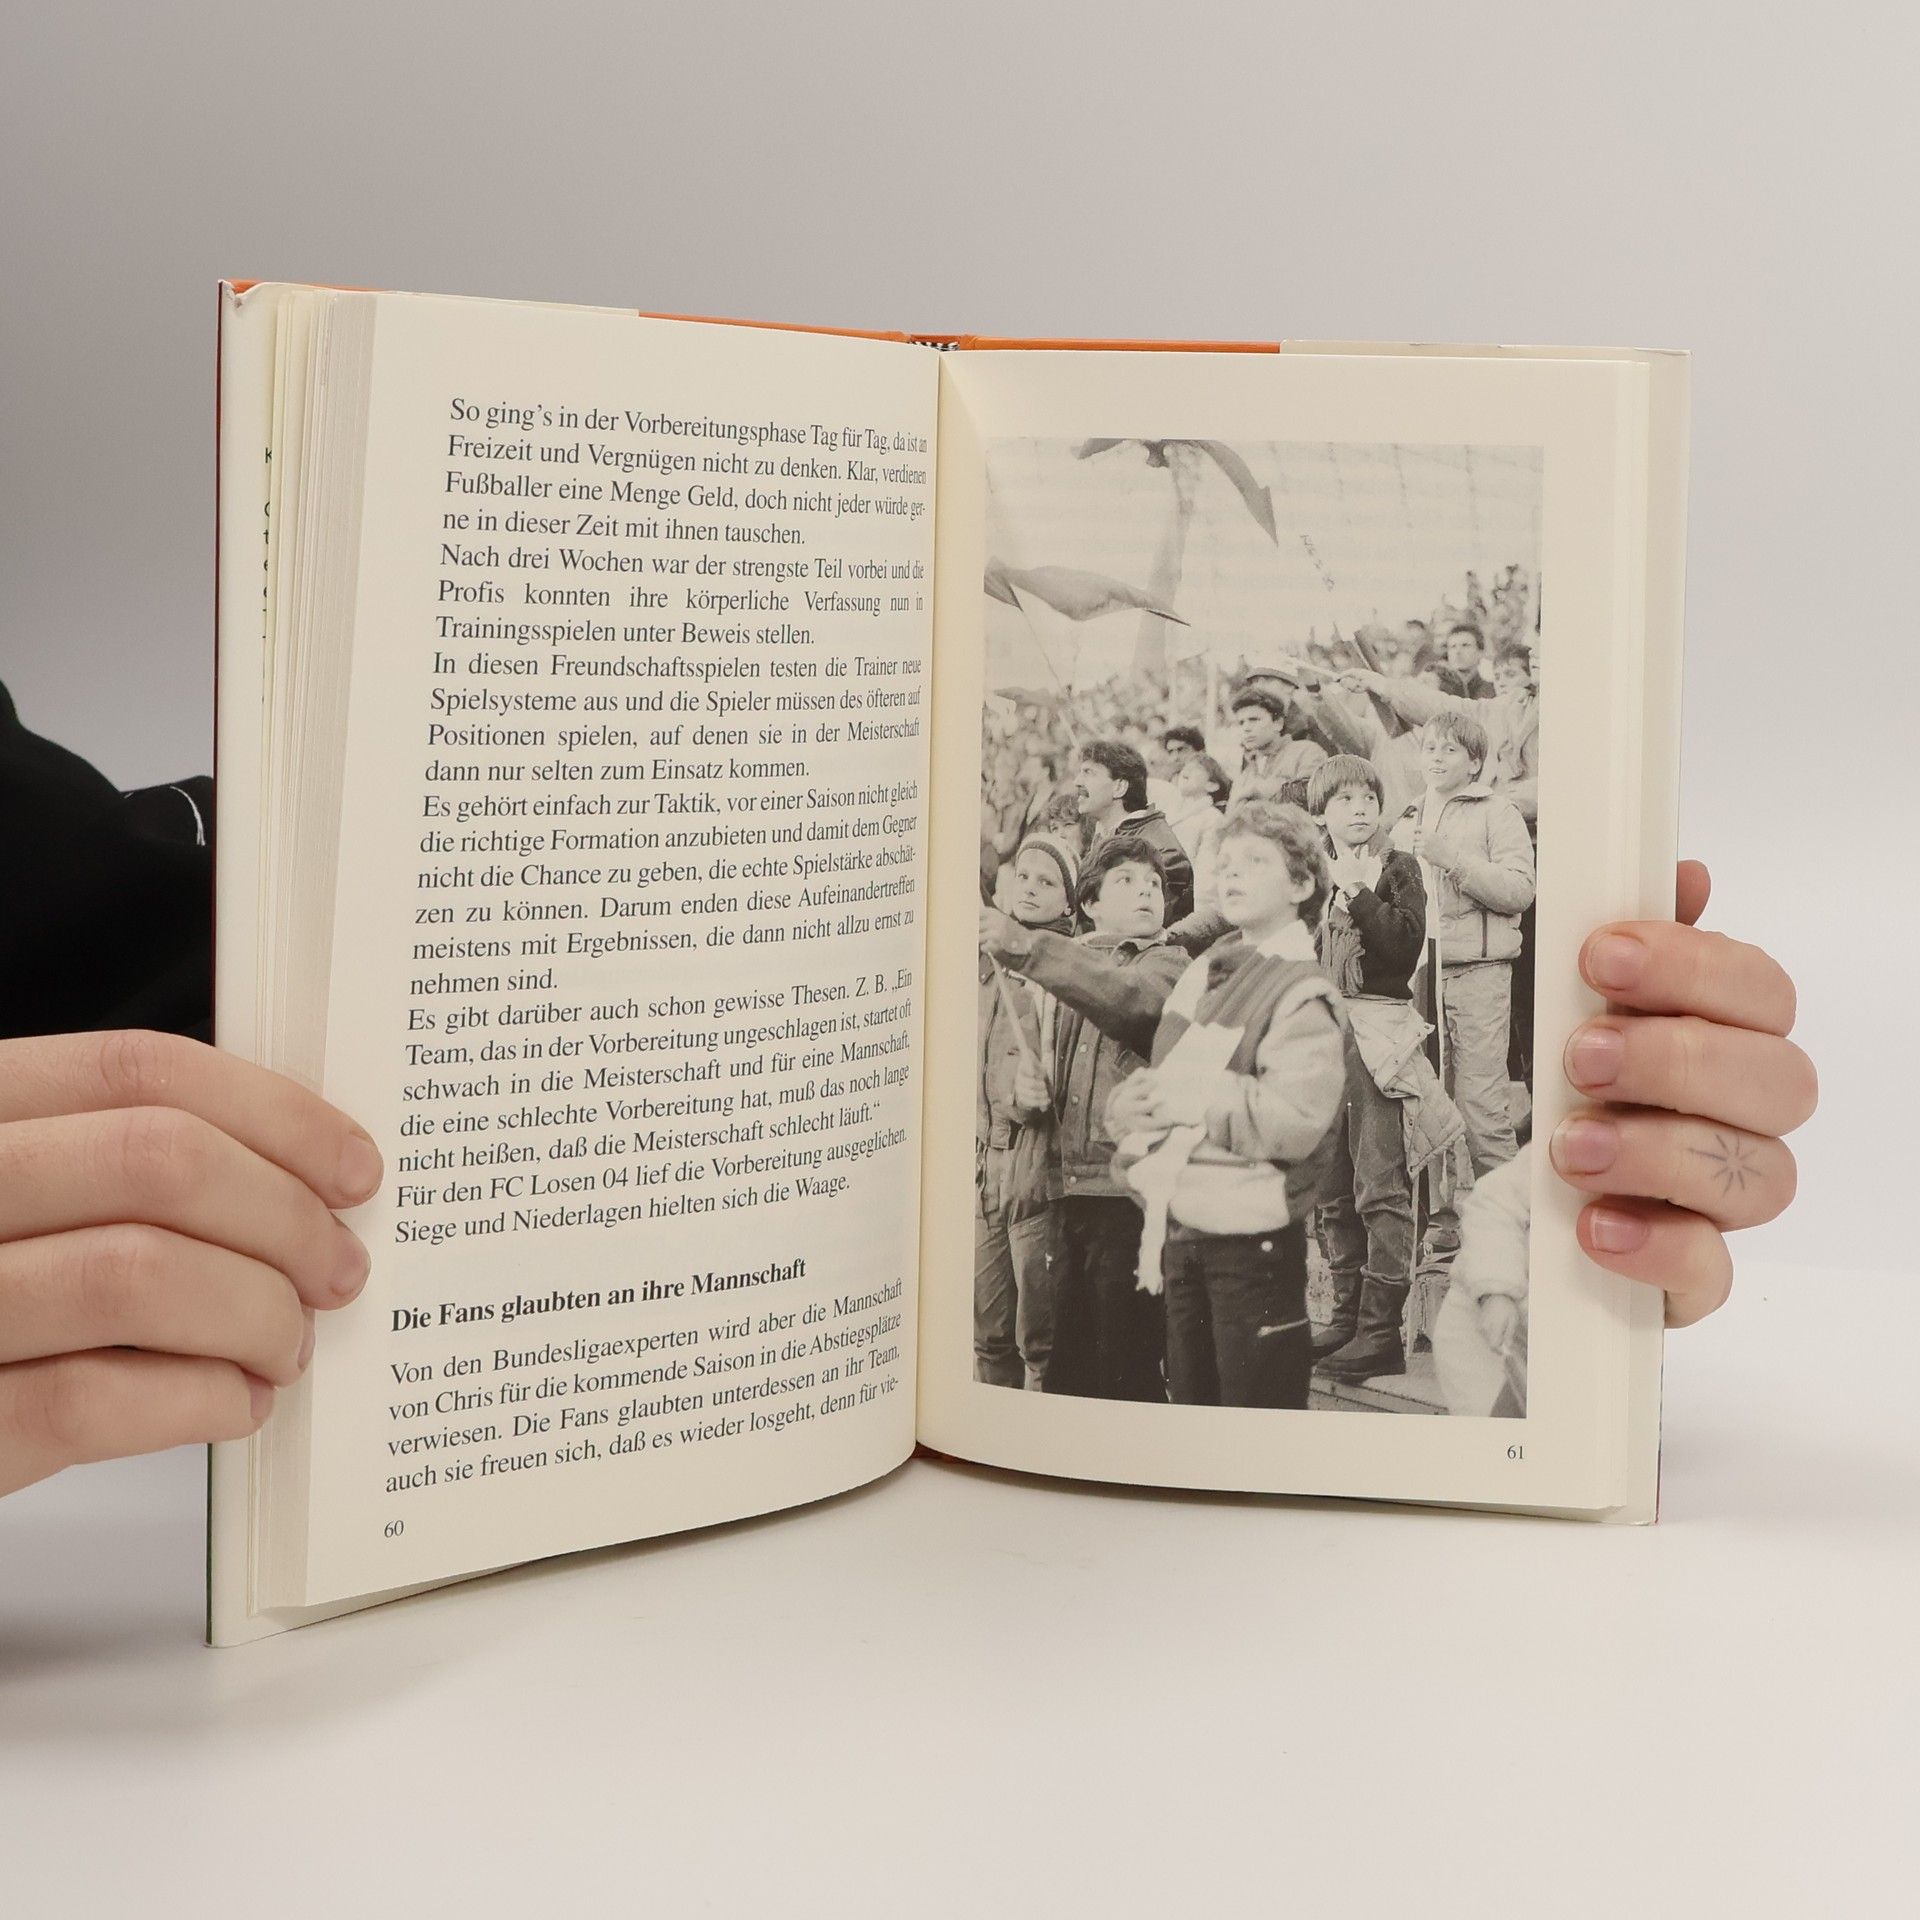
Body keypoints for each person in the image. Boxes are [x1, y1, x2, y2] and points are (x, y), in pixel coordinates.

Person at [0, 664, 1819, 1491]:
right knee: (1127, 1354)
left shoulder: (1256, 972)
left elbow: (1277, 1104)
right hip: (1136, 1212)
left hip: (1214, 1220)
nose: (1213, 872)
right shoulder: (1186, 967)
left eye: (1240, 851)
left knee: (1219, 1401)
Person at [1107, 799, 1347, 1409]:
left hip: (1251, 1247)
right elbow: (1162, 1077)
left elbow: (1294, 1122)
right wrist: (1129, 1110)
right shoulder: (1209, 971)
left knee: (1251, 1422)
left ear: (1301, 885)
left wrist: (1189, 1092)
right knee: (1193, 1411)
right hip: (1184, 1229)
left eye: (1255, 861)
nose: (1232, 872)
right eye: (1227, 862)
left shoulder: (1301, 989)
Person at [1302, 754, 1459, 1383]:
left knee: (1380, 1182)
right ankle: (1345, 1318)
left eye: (1368, 797)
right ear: (1321, 813)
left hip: (1380, 1033)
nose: (1360, 808)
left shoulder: (1399, 868)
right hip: (1323, 1032)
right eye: (1344, 799)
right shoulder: (1310, 873)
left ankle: (1379, 1332)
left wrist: (1359, 893)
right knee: (1332, 1186)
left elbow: (1401, 945)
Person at [1027, 838, 1188, 1401]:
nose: (1147, 891)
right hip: (1069, 1190)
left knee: (1127, 1364)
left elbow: (1133, 999)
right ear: (1090, 904)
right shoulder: (1076, 967)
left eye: (1154, 884)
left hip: (1131, 1197)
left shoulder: (1167, 963)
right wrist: (1030, 1087)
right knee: (1066, 1370)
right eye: (1127, 880)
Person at [1395, 711, 1536, 1179]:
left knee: (1481, 1110)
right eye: (1430, 748)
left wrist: (1451, 859)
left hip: (1479, 974)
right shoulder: (1408, 814)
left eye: (1450, 749)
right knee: (1427, 1111)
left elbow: (1520, 890)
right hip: (1419, 977)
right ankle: (1447, 1215)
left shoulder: (1498, 811)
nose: (1436, 758)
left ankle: (1506, 1215)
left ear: (1475, 763)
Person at [973, 833, 1077, 1390]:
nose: (1031, 888)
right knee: (988, 1334)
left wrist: (1038, 1093)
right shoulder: (986, 961)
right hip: (983, 1165)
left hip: (1035, 1167)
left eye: (1047, 881)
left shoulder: (1066, 967)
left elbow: (1067, 1073)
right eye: (1024, 877)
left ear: (1070, 902)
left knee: (1040, 1339)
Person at [1072, 738, 1195, 924]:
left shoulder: (1160, 849)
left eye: (1088, 772)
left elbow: (1149, 926)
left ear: (1119, 787)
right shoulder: (1102, 834)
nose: (1077, 782)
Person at [1175, 751, 1233, 916]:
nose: (1186, 770)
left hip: (1192, 903)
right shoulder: (1173, 812)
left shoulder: (1212, 818)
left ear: (1212, 785)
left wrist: (1199, 911)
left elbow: (1207, 870)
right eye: (1185, 767)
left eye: (1196, 768)